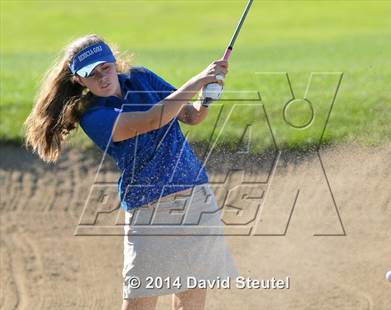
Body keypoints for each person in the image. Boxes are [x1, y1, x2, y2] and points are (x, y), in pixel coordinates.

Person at [24, 34, 239, 310]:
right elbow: (152, 119)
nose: (103, 77)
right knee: (140, 305)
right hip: (149, 209)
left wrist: (208, 95)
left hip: (195, 195)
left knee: (192, 301)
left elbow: (191, 116)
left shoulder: (142, 78)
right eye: (91, 74)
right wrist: (199, 80)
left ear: (114, 62)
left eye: (106, 67)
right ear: (79, 80)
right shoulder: (93, 115)